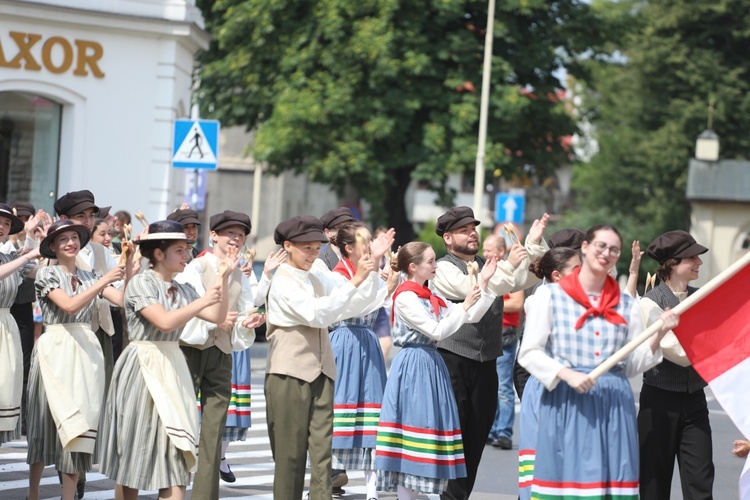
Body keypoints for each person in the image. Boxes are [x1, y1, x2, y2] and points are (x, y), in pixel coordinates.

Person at [518, 223, 679, 499]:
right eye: (600, 246)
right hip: (567, 402)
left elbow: (631, 363)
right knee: (568, 485)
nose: (606, 253)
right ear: (584, 249)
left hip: (614, 406)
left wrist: (659, 334)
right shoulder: (551, 296)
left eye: (614, 249)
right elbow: (529, 353)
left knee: (607, 487)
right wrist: (568, 375)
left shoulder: (625, 304)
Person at [99, 220, 231, 500]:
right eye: (180, 250)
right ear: (158, 254)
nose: (186, 255)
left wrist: (224, 277)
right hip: (142, 366)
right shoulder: (140, 283)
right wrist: (204, 300)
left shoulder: (182, 288)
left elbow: (218, 318)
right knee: (133, 453)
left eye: (187, 250)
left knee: (177, 451)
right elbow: (165, 322)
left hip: (173, 366)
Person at [264, 215, 392, 500]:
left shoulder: (316, 277)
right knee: (291, 459)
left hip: (322, 372)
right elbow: (317, 314)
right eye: (306, 248)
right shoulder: (283, 282)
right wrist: (359, 277)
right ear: (288, 246)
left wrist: (371, 272)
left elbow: (358, 304)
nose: (313, 253)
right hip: (289, 375)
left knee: (323, 455)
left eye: (316, 247)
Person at [431, 206, 548, 500]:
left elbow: (523, 279)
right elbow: (475, 287)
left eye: (473, 228)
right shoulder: (443, 268)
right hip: (452, 359)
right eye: (463, 230)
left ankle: (458, 496)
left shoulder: (487, 264)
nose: (472, 233)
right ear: (447, 238)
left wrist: (533, 244)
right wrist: (507, 265)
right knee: (451, 437)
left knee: (477, 436)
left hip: (486, 363)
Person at [374, 241, 498, 500]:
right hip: (413, 364)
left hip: (431, 363)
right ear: (413, 267)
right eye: (430, 262)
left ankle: (420, 491)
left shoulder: (429, 295)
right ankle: (404, 495)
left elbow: (471, 316)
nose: (436, 266)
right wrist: (464, 306)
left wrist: (484, 284)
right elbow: (437, 330)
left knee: (428, 429)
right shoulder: (407, 297)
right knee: (411, 429)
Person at [27, 219, 126, 500]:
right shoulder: (48, 275)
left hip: (85, 352)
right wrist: (104, 280)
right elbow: (69, 306)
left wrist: (132, 269)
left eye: (74, 237)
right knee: (42, 422)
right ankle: (32, 492)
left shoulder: (92, 275)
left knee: (78, 425)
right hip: (54, 348)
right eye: (63, 239)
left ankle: (67, 497)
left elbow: (121, 299)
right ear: (53, 247)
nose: (70, 242)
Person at [175, 210, 269, 499]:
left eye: (240, 234)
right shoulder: (196, 266)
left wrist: (251, 319)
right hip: (191, 350)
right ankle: (172, 489)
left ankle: (205, 495)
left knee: (214, 430)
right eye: (229, 232)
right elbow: (186, 305)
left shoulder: (241, 269)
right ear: (213, 235)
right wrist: (214, 319)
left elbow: (241, 309)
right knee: (179, 425)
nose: (236, 238)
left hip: (221, 353)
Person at [638, 230, 715, 500]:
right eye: (691, 258)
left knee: (701, 484)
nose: (699, 263)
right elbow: (678, 352)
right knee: (654, 486)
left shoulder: (702, 296)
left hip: (695, 400)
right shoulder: (649, 303)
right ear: (671, 264)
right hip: (659, 400)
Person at [329, 222, 396, 499]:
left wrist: (386, 277)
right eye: (365, 241)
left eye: (372, 241)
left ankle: (372, 490)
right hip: (343, 341)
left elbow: (380, 305)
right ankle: (325, 478)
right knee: (337, 412)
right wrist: (381, 280)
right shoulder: (336, 275)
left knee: (372, 413)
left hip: (366, 340)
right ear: (348, 248)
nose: (370, 246)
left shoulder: (372, 273)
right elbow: (354, 305)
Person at [516, 246, 581, 499]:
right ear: (556, 275)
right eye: (576, 270)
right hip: (548, 386)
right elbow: (530, 353)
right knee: (542, 465)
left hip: (573, 389)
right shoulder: (541, 299)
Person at [0, 203, 42, 446]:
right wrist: (26, 255)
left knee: (5, 394)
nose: (2, 227)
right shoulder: (14, 259)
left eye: (6, 223)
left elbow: (44, 273)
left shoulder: (10, 257)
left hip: (7, 328)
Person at [482, 234, 525, 450]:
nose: (486, 254)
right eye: (485, 250)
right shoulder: (482, 269)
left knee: (503, 386)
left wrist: (489, 299)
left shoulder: (512, 272)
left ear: (501, 251)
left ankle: (504, 432)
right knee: (490, 384)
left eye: (490, 250)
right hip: (487, 332)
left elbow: (517, 303)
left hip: (505, 332)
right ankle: (492, 429)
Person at [313, 206, 356, 274]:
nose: (345, 232)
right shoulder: (322, 261)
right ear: (327, 232)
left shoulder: (357, 254)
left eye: (348, 227)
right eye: (340, 228)